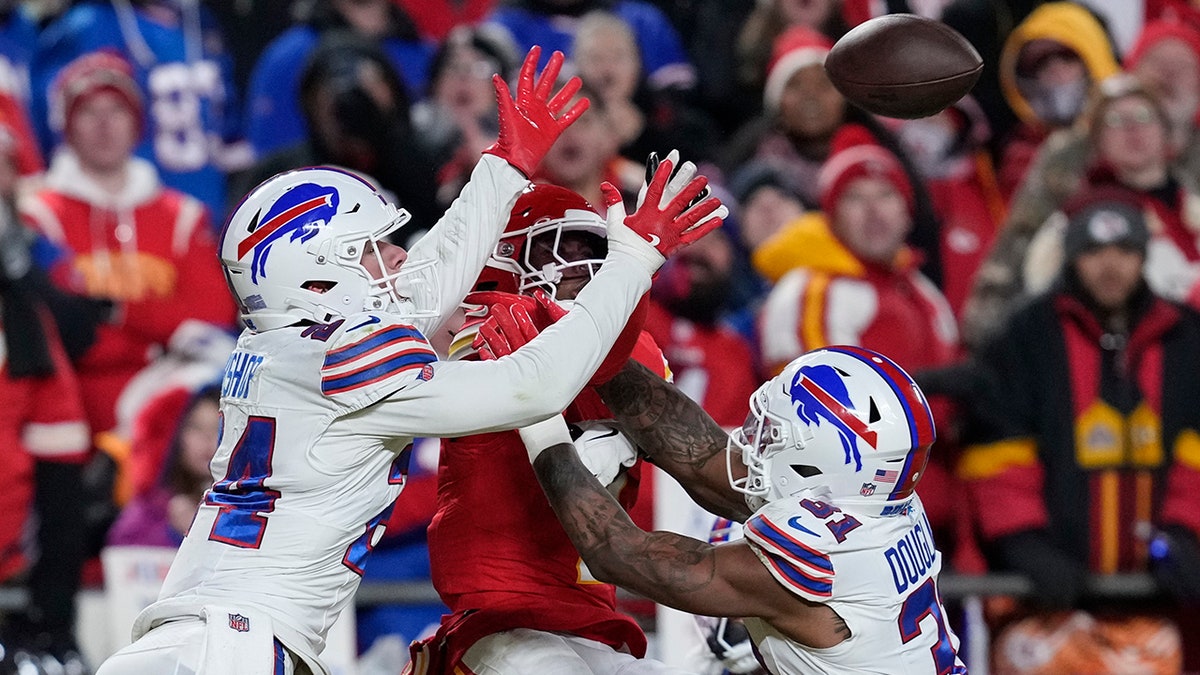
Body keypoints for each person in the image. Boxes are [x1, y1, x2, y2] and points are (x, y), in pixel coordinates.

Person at [94, 46, 726, 675]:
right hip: (237, 648)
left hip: (188, 633)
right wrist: (633, 259)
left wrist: (506, 167)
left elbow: (424, 285)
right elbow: (534, 386)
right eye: (373, 251)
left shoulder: (273, 346)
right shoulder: (345, 357)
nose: (399, 259)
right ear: (317, 278)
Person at [473, 305, 967, 673]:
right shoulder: (875, 498)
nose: (754, 439)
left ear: (820, 462)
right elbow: (707, 458)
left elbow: (620, 553)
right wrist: (592, 353)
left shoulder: (818, 556)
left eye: (774, 432)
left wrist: (537, 413)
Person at [418, 181, 685, 674]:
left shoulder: (627, 343)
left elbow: (617, 360)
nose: (581, 266)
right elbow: (572, 354)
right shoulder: (489, 326)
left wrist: (634, 274)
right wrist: (636, 267)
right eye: (559, 247)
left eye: (594, 250)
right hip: (502, 613)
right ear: (502, 252)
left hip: (591, 614)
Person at [958, 186, 1200, 673]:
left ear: (1144, 257)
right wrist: (1024, 543)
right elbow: (999, 452)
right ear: (1070, 256)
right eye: (1093, 251)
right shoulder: (1025, 337)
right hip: (1043, 604)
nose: (1110, 265)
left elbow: (1197, 451)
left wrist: (1183, 533)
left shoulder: (1186, 338)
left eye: (1125, 250)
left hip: (1156, 603)